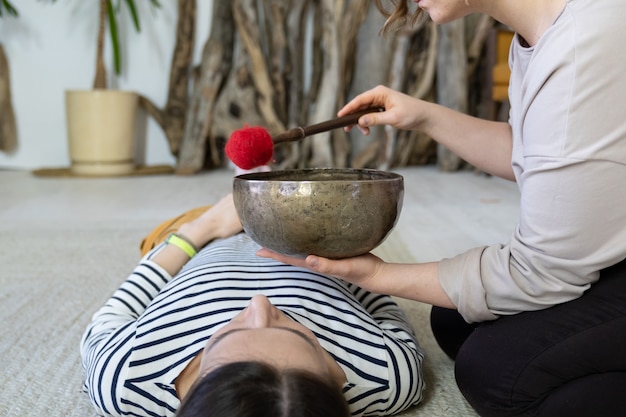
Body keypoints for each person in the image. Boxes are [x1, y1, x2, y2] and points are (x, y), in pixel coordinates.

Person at [258, 1, 626, 416]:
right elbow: (533, 156)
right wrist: (425, 117)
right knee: (454, 322)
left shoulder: (583, 47)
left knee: (498, 374)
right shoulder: (543, 34)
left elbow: (540, 272)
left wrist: (380, 275)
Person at [80, 194, 425, 417]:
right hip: (310, 243)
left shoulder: (126, 377)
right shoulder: (387, 373)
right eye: (302, 334)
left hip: (198, 243)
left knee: (173, 228)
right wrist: (345, 260)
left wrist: (202, 229)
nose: (259, 304)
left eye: (224, 335)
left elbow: (120, 307)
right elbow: (379, 297)